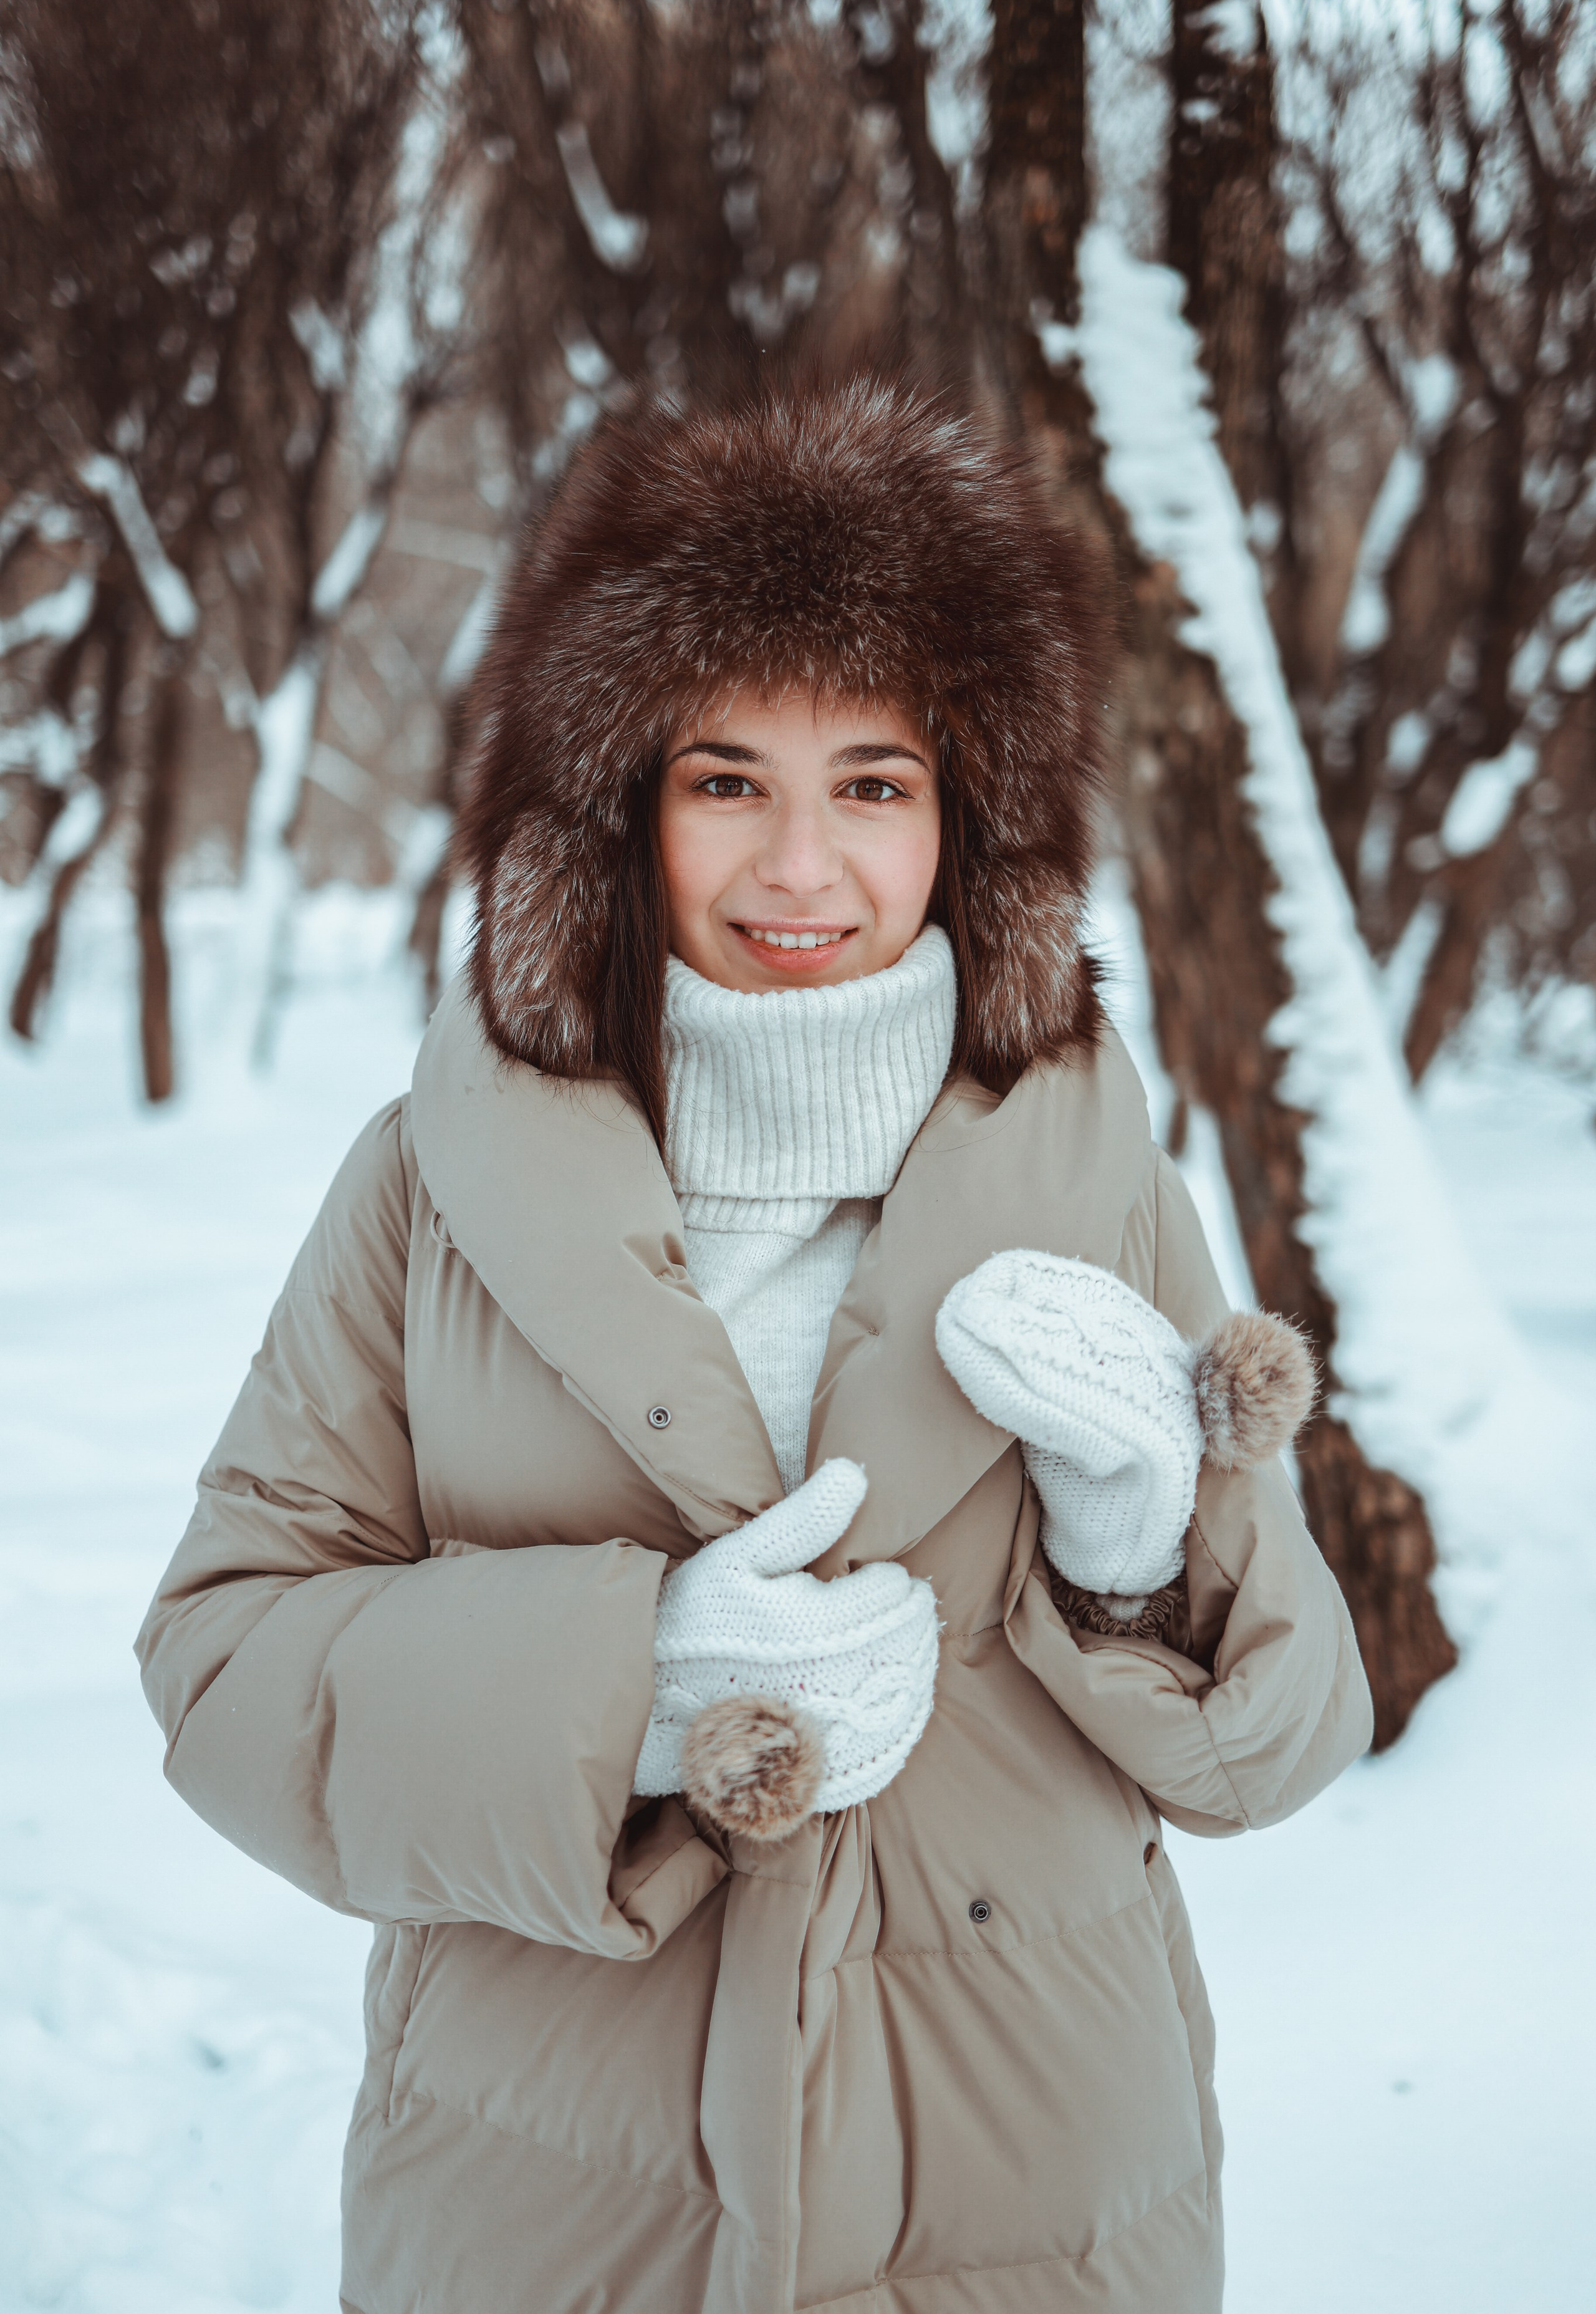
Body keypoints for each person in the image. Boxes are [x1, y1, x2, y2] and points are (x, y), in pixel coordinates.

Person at [137, 382, 1373, 2314]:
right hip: (551, 2211)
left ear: (970, 821)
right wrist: (630, 1686)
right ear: (617, 808)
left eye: (873, 783)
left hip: (1031, 2199)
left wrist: (1139, 1555)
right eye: (729, 780)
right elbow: (223, 1668)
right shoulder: (428, 1184)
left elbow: (1283, 1740)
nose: (803, 869)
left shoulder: (1091, 1166)